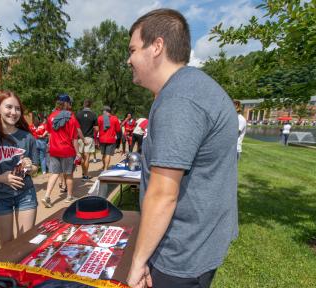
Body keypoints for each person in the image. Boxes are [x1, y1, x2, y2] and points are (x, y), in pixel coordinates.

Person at [126, 9, 238, 288]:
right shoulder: (192, 88)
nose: (129, 60)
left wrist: (138, 262)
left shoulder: (180, 99)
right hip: (198, 243)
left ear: (157, 46)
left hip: (180, 256)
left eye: (132, 49)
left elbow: (164, 194)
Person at [0, 91, 39, 246]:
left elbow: (36, 167)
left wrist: (30, 167)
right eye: (9, 107)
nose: (13, 112)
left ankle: (23, 271)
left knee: (25, 242)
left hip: (25, 194)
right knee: (6, 245)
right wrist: (0, 178)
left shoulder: (27, 137)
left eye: (17, 108)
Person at [41, 94, 81, 208]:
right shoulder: (71, 117)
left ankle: (47, 196)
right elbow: (74, 138)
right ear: (67, 103)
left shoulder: (51, 116)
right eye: (70, 103)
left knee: (54, 173)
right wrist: (78, 153)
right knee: (69, 174)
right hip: (67, 150)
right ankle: (69, 196)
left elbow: (49, 133)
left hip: (54, 149)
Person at [75, 99, 97, 180]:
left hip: (80, 138)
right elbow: (97, 128)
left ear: (83, 105)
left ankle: (83, 173)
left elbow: (75, 127)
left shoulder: (78, 114)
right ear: (90, 105)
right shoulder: (93, 114)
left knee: (82, 157)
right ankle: (86, 175)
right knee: (87, 157)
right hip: (89, 138)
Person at [97, 106, 121, 170]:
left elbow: (97, 128)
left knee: (103, 154)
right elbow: (118, 129)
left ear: (105, 111)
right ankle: (105, 168)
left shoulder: (100, 118)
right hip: (111, 139)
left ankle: (104, 166)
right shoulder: (115, 118)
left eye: (103, 111)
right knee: (108, 154)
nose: (102, 112)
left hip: (102, 139)